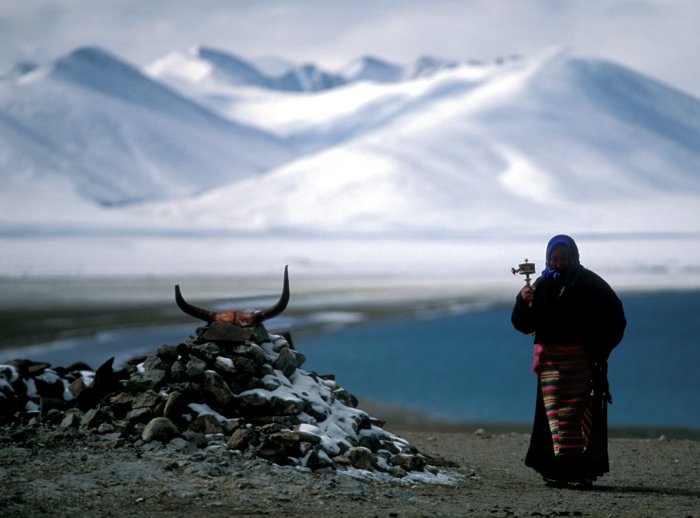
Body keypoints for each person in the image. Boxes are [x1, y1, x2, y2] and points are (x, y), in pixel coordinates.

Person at [511, 234, 626, 488]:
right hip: (550, 364)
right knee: (553, 418)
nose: (559, 263)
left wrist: (600, 351)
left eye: (564, 258)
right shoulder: (540, 285)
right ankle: (554, 471)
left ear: (574, 258)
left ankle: (581, 472)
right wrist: (523, 300)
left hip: (581, 364)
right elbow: (523, 324)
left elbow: (616, 318)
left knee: (579, 415)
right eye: (554, 258)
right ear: (548, 259)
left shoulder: (590, 283)